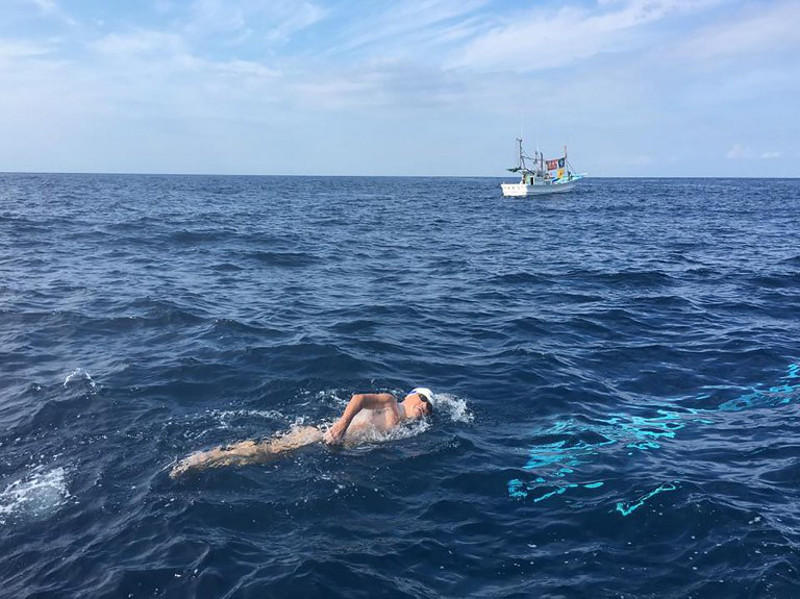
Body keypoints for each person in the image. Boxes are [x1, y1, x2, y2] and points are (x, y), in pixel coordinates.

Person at [169, 388, 434, 478]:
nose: (425, 407)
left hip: (335, 449)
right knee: (270, 450)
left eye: (430, 408)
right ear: (411, 395)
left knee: (270, 456)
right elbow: (358, 399)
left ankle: (210, 463)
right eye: (423, 399)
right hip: (323, 436)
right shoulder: (389, 402)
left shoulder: (403, 428)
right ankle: (201, 460)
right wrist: (341, 426)